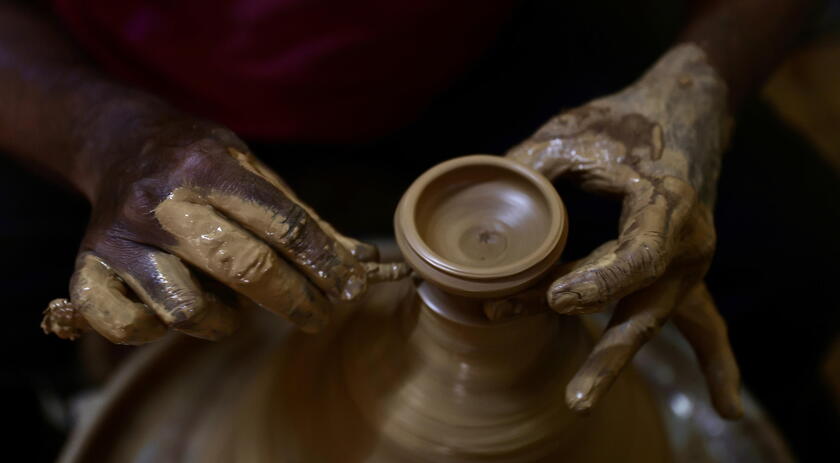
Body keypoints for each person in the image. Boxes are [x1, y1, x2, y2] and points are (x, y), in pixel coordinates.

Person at [0, 0, 819, 420]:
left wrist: (700, 81)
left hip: (473, 42)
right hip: (116, 87)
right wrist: (102, 138)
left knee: (793, 252)